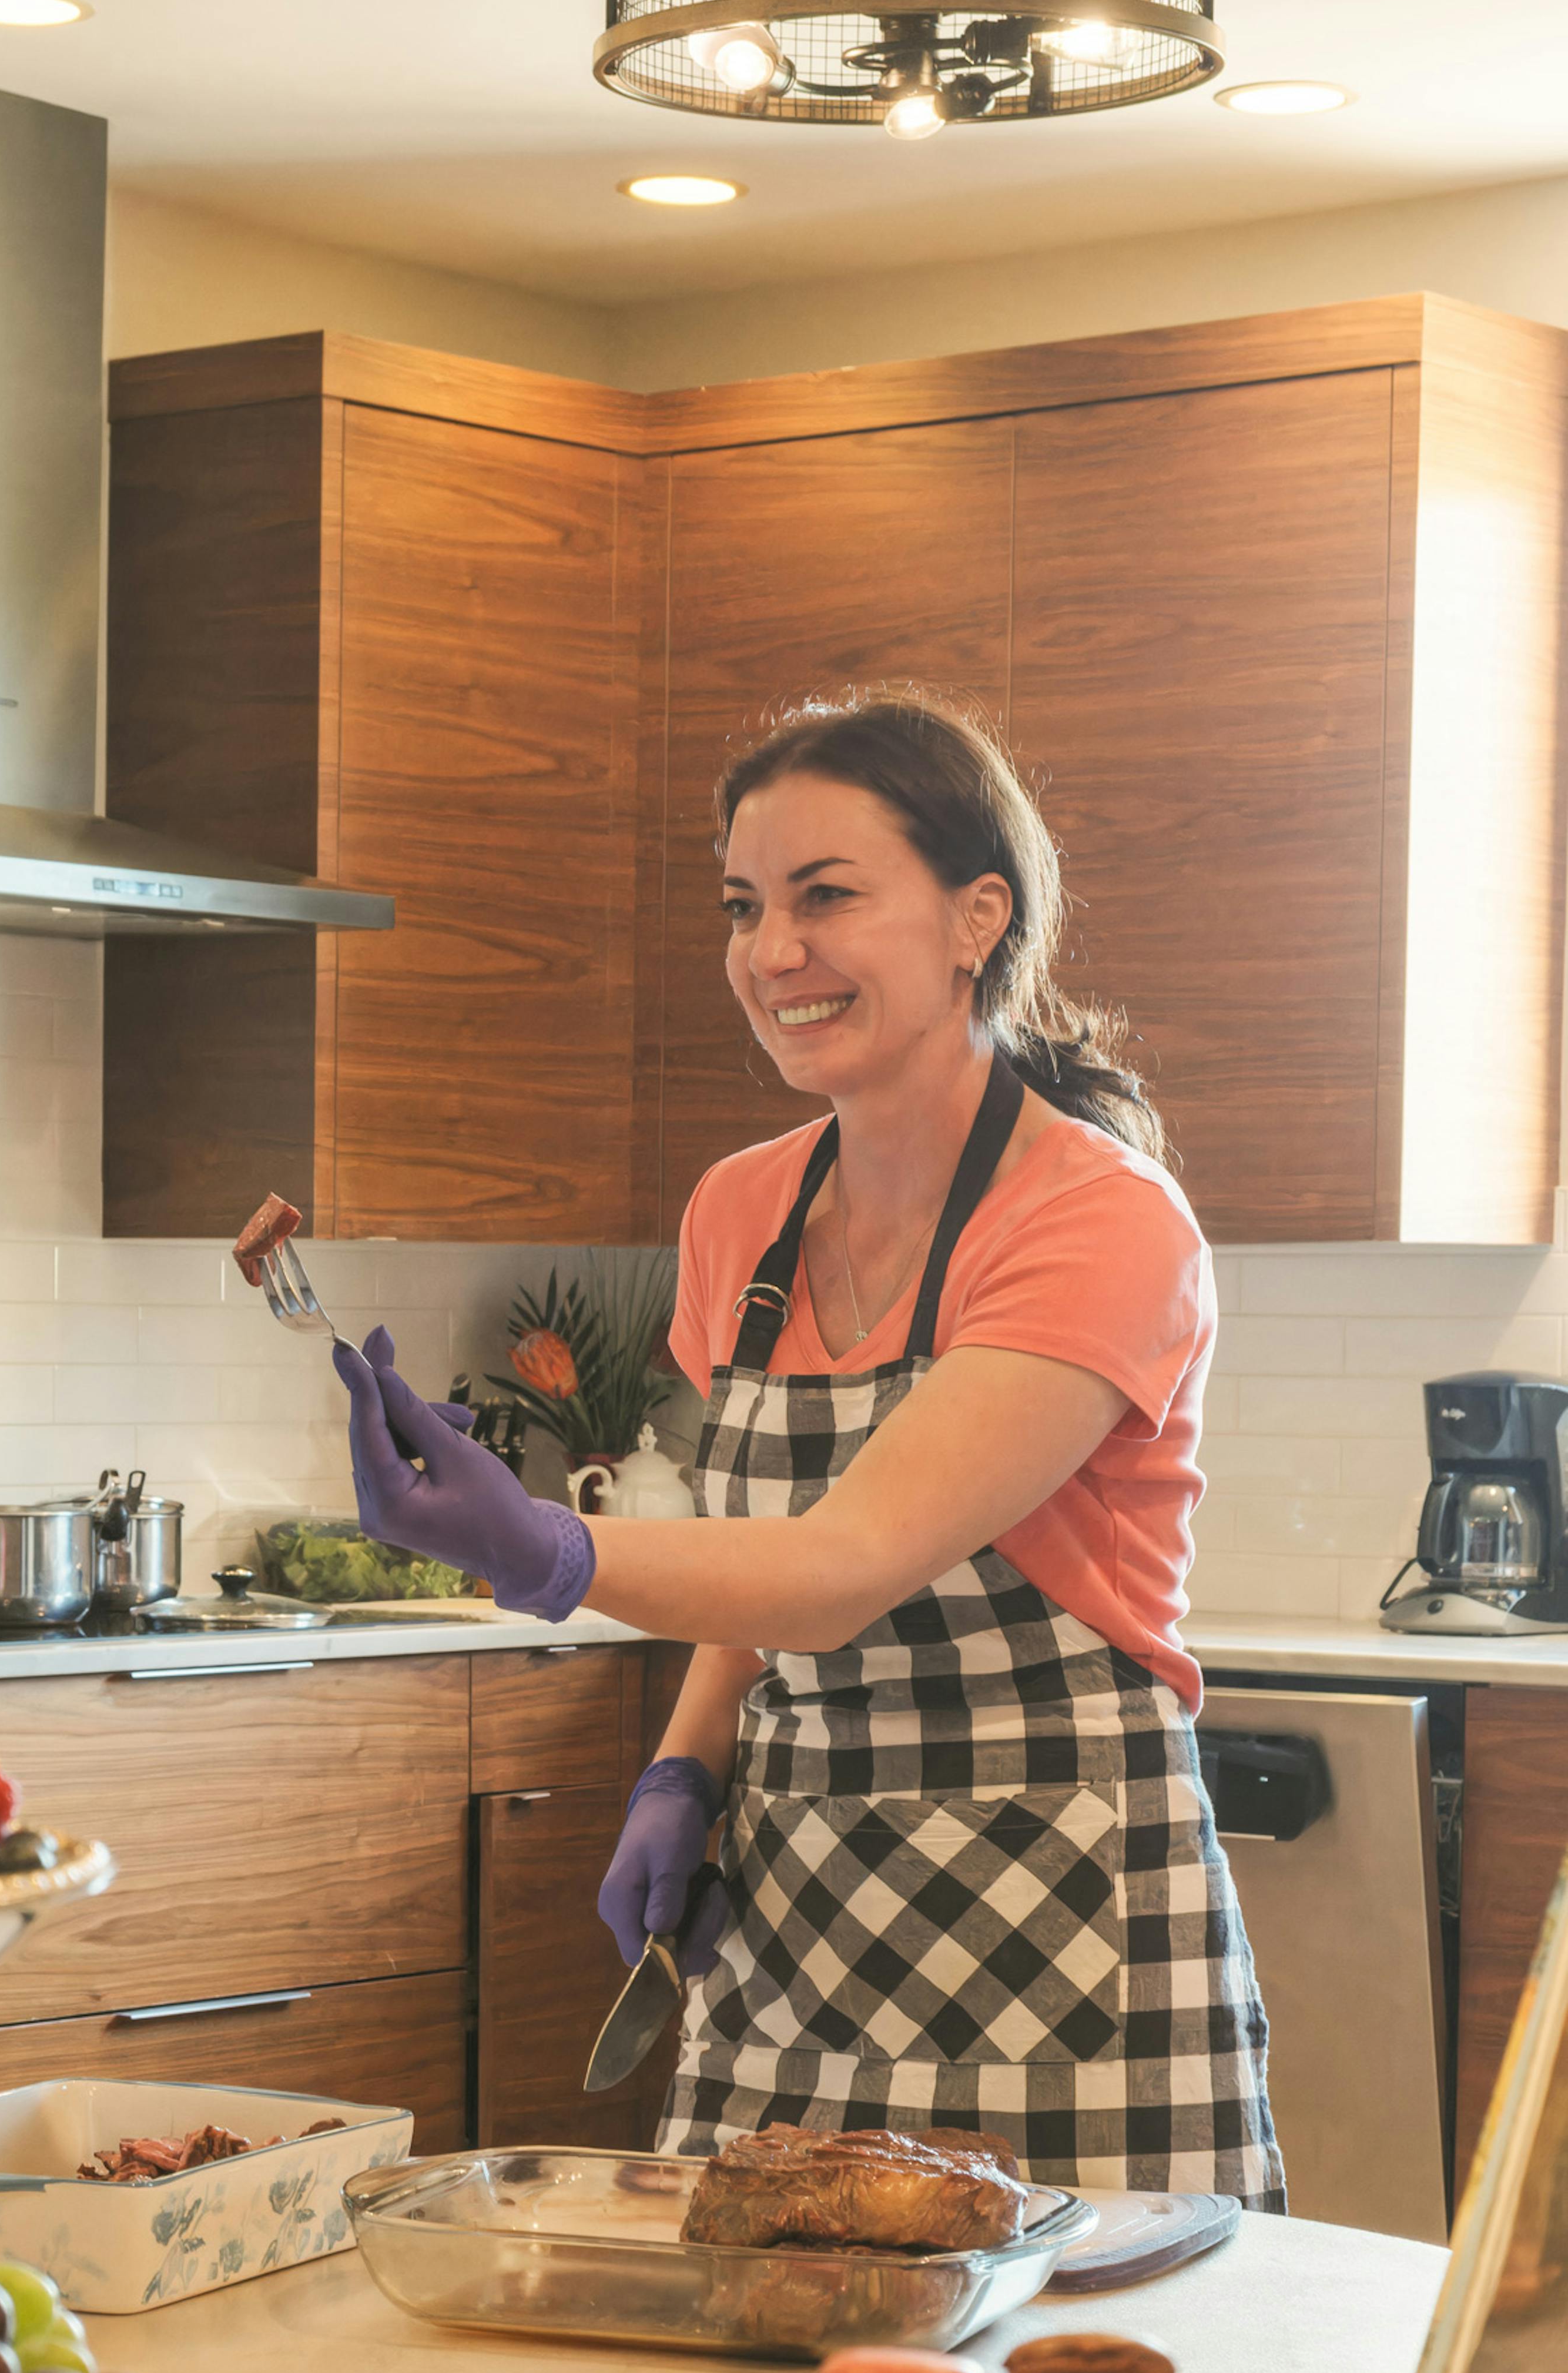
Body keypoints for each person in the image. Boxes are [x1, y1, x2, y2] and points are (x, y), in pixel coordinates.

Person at [333, 690, 1280, 2199]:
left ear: (977, 918)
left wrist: (543, 1550)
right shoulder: (743, 1211)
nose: (773, 953)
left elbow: (844, 1565)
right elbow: (753, 1570)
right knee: (753, 2335)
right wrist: (682, 1768)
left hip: (1063, 1931)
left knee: (1068, 2348)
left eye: (826, 897)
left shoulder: (1099, 1220)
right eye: (743, 907)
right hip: (799, 1925)